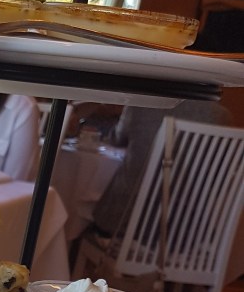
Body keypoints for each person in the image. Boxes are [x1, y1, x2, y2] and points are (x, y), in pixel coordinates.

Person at [89, 97, 233, 239]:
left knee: (86, 218)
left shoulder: (141, 103)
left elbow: (117, 139)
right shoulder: (220, 116)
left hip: (123, 221)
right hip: (184, 231)